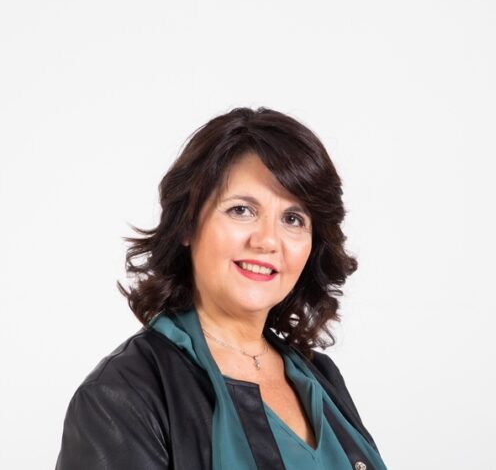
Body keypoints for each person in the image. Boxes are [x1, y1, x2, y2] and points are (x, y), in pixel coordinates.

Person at [55, 107, 387, 470]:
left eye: (293, 219)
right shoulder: (121, 397)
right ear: (187, 225)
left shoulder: (322, 379)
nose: (267, 241)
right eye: (241, 210)